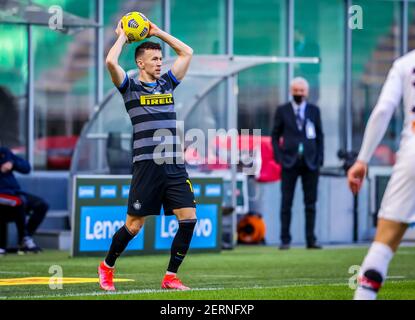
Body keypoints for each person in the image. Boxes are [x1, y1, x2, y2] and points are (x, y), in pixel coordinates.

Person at [98, 19, 196, 291]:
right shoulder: (129, 87)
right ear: (140, 63)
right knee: (133, 226)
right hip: (146, 166)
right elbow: (110, 63)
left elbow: (187, 52)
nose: (159, 63)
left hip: (174, 164)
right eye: (154, 58)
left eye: (161, 58)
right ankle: (106, 267)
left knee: (189, 219)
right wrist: (122, 37)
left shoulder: (167, 84)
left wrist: (157, 33)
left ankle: (170, 277)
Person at [347, 51, 415, 300]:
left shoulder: (405, 64)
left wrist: (362, 159)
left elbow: (382, 110)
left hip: (412, 153)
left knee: (384, 243)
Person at [271, 77, 324, 250]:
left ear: (307, 92)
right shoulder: (282, 110)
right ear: (291, 91)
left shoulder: (314, 111)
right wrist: (279, 157)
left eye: (302, 91)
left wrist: (319, 159)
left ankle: (311, 239)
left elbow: (319, 136)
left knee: (311, 203)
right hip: (289, 162)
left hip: (310, 163)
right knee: (286, 202)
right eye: (296, 91)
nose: (299, 94)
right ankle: (285, 240)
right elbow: (274, 135)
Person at [0, 147, 47, 253]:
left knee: (41, 205)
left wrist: (13, 164)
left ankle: (25, 238)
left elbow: (26, 168)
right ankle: (24, 238)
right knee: (18, 202)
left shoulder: (4, 152)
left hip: (14, 192)